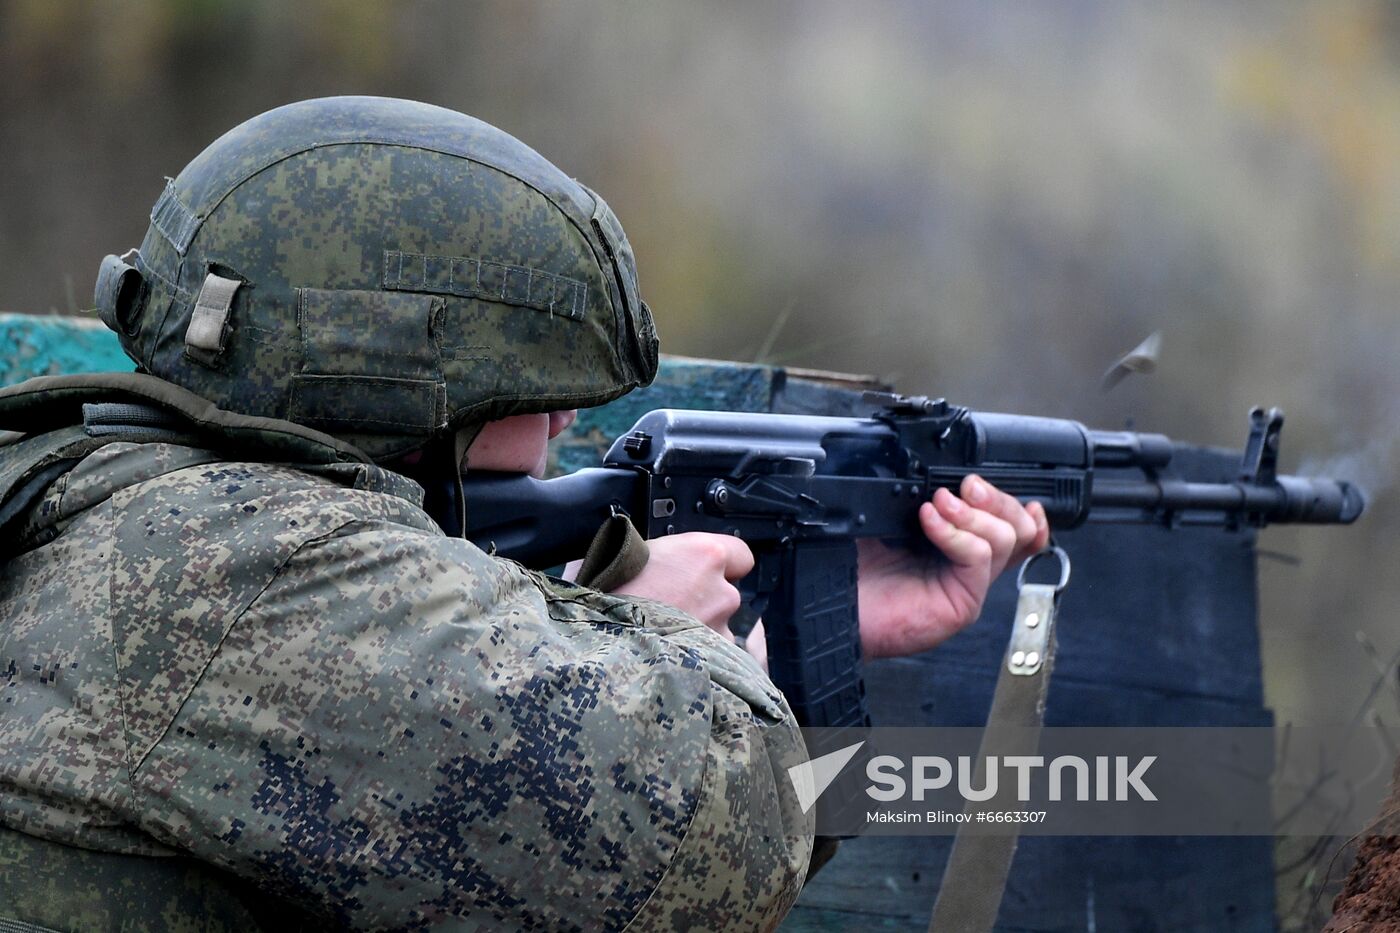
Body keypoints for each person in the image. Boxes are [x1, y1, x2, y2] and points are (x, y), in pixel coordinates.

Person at [0, 97, 1046, 931]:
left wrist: (804, 632)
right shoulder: (257, 575)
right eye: (529, 395)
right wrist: (650, 631)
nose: (557, 428)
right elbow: (702, 859)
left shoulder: (135, 505)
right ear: (400, 393)